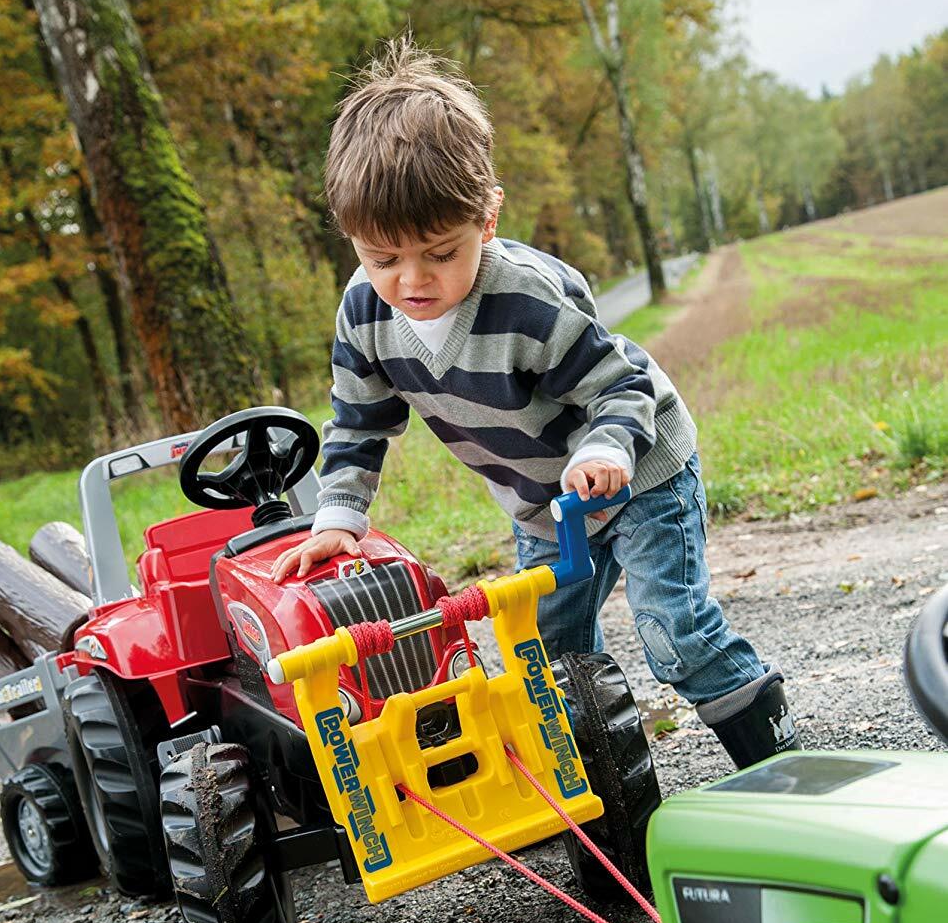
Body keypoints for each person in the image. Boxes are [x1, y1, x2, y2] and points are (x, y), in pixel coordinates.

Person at [271, 39, 799, 768]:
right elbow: (360, 421)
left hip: (640, 471)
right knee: (547, 661)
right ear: (351, 236)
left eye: (439, 252)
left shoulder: (523, 298)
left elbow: (619, 384)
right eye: (382, 258)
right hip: (544, 508)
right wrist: (339, 516)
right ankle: (604, 795)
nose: (412, 280)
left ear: (485, 219)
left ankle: (780, 762)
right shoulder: (363, 314)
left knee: (671, 633)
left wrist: (605, 449)